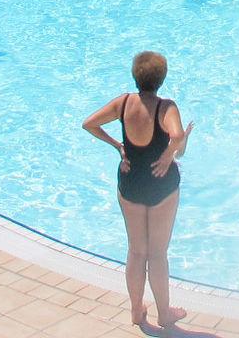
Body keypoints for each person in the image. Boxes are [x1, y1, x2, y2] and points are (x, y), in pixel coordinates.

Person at [81, 51, 191, 330]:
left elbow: (89, 123)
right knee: (157, 254)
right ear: (162, 79)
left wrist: (118, 146)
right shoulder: (167, 108)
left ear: (136, 76)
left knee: (136, 251)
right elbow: (177, 136)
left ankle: (135, 310)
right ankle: (164, 314)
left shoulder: (124, 102)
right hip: (161, 184)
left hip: (130, 182)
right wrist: (169, 154)